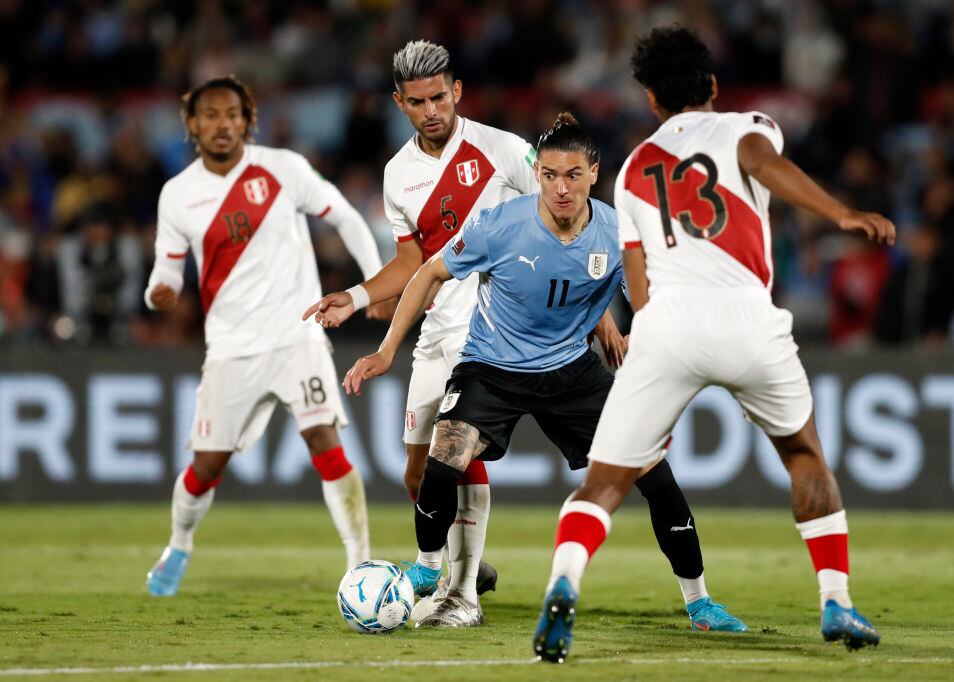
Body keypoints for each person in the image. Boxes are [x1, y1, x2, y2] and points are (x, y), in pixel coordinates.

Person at [533, 26, 895, 662]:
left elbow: (637, 277)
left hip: (668, 323)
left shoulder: (635, 167)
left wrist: (656, 356)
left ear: (650, 99)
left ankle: (563, 584)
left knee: (605, 484)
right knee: (804, 455)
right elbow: (764, 164)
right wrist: (840, 214)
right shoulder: (742, 127)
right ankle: (835, 598)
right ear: (714, 86)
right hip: (748, 318)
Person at [334, 113, 746, 634]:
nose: (560, 188)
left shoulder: (619, 233)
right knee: (442, 460)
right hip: (491, 366)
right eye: (549, 175)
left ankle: (700, 602)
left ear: (594, 173)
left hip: (571, 372)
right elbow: (429, 272)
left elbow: (651, 294)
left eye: (573, 175)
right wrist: (388, 348)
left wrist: (629, 333)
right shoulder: (501, 224)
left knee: (656, 476)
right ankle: (427, 570)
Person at [304, 40, 552, 625]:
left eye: (439, 96)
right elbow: (412, 263)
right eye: (417, 102)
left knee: (457, 453)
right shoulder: (398, 175)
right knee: (417, 471)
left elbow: (565, 209)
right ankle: (467, 564)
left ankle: (461, 593)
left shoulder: (504, 150)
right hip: (436, 327)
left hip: (495, 328)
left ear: (457, 91)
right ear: (399, 102)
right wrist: (358, 296)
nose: (431, 110)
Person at [144, 76, 383, 596]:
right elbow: (164, 271)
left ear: (247, 121)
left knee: (326, 442)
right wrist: (158, 293)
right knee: (206, 466)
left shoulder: (283, 168)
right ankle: (180, 543)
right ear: (192, 125)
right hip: (231, 347)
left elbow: (343, 214)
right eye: (210, 115)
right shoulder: (178, 194)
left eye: (233, 114)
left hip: (298, 335)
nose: (222, 124)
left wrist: (374, 283)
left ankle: (359, 566)